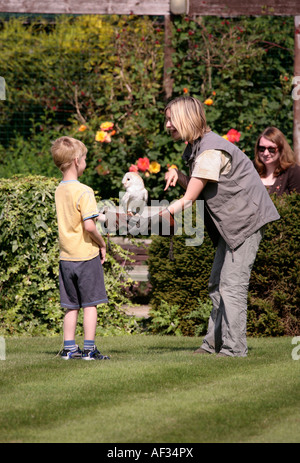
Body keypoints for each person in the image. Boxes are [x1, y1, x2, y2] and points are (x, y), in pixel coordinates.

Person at [163, 96, 280, 357]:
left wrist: (162, 213)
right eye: (166, 119)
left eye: (171, 119)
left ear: (185, 118)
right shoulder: (199, 147)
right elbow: (202, 186)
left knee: (231, 285)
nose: (167, 125)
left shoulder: (210, 150)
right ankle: (212, 344)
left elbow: (191, 197)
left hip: (246, 223)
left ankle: (234, 349)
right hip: (232, 226)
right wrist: (178, 175)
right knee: (217, 284)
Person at [51, 136, 109, 360]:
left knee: (71, 306)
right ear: (77, 161)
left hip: (66, 258)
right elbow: (88, 226)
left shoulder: (59, 190)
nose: (86, 162)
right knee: (91, 305)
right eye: (84, 158)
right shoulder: (85, 191)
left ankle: (68, 349)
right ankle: (89, 350)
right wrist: (102, 244)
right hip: (86, 256)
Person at [254, 126, 300, 195]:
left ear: (281, 149)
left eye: (271, 149)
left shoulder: (293, 171)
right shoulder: (250, 169)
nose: (266, 153)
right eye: (262, 149)